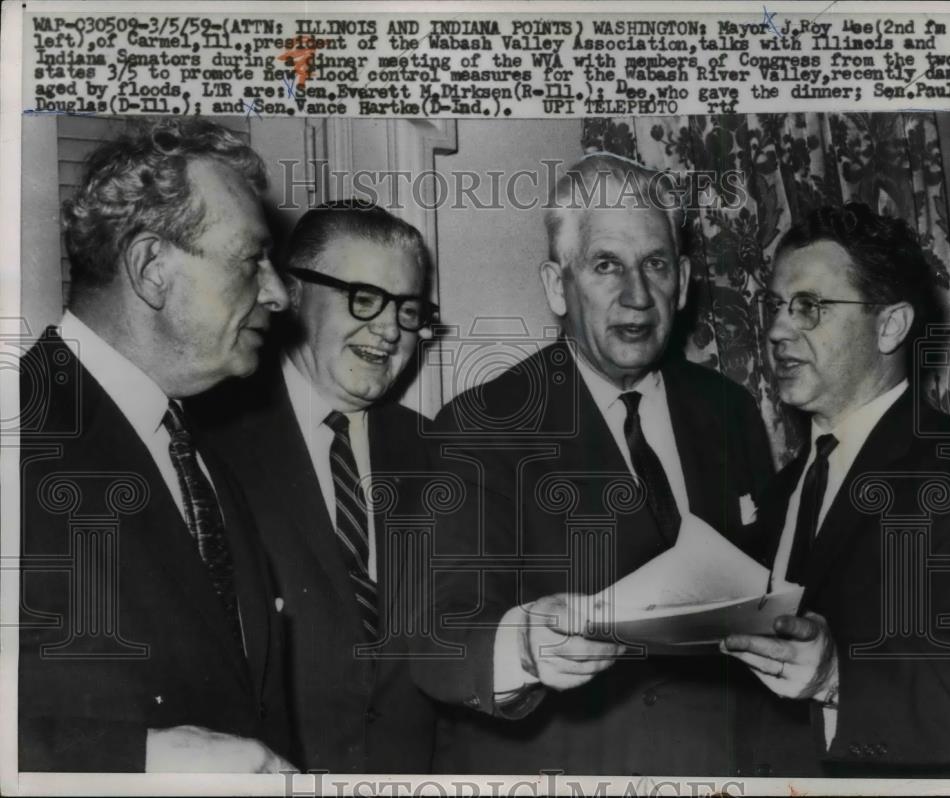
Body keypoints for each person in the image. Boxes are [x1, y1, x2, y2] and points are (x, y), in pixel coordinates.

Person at [409, 154, 775, 775]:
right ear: (558, 286)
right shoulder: (481, 424)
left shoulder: (731, 411)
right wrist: (523, 647)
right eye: (606, 265)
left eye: (655, 264)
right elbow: (438, 635)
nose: (637, 295)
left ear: (683, 281)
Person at [19, 118, 294, 772]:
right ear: (150, 268)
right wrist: (140, 763)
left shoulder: (202, 462)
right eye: (251, 260)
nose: (279, 294)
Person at [721, 203, 950, 789]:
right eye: (774, 306)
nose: (776, 330)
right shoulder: (778, 495)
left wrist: (836, 677)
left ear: (891, 326)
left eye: (809, 308)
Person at [192, 200, 440, 772]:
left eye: (407, 310)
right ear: (294, 292)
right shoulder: (207, 438)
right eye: (365, 298)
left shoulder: (439, 452)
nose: (387, 329)